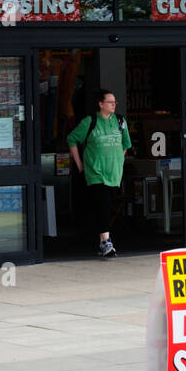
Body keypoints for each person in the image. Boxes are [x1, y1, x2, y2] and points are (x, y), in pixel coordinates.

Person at [66, 88, 131, 258]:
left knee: (104, 206)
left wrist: (118, 159)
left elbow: (126, 144)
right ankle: (105, 241)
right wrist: (79, 164)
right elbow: (72, 139)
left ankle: (101, 242)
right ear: (101, 104)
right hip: (96, 171)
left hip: (114, 172)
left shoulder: (119, 121)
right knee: (103, 203)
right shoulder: (91, 121)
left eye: (115, 102)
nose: (113, 105)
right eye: (110, 102)